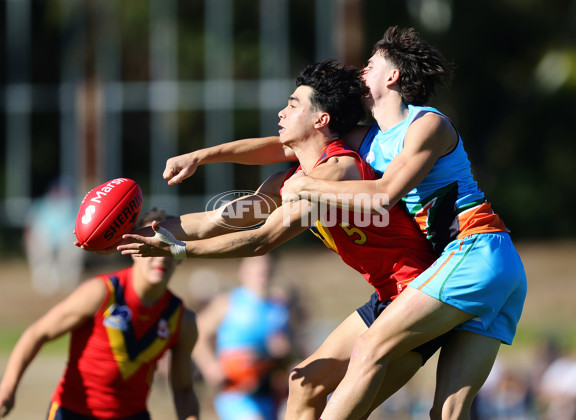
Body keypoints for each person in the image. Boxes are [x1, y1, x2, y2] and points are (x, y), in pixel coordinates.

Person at [160, 27, 527, 420]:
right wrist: (201, 157)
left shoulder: (427, 125)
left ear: (392, 76)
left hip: (475, 251)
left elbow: (384, 193)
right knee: (447, 414)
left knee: (369, 349)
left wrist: (307, 188)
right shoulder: (365, 140)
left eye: (370, 64)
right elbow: (285, 144)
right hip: (478, 272)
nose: (361, 70)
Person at [113, 60, 445, 418]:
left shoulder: (337, 171)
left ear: (321, 120)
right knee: (302, 383)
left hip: (421, 295)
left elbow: (261, 241)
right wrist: (133, 235)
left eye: (293, 104)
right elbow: (216, 221)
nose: (282, 112)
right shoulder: (291, 180)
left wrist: (177, 249)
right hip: (388, 296)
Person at [0, 208, 199, 420]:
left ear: (180, 257)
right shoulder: (102, 292)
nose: (161, 258)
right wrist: (8, 388)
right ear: (132, 250)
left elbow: (183, 388)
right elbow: (38, 333)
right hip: (73, 413)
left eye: (168, 248)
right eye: (152, 247)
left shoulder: (181, 320)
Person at [194, 254, 293, 420]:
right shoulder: (228, 302)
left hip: (269, 391)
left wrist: (285, 349)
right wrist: (209, 366)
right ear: (242, 270)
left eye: (266, 267)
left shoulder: (279, 307)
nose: (262, 270)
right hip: (235, 392)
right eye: (255, 266)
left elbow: (291, 350)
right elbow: (196, 332)